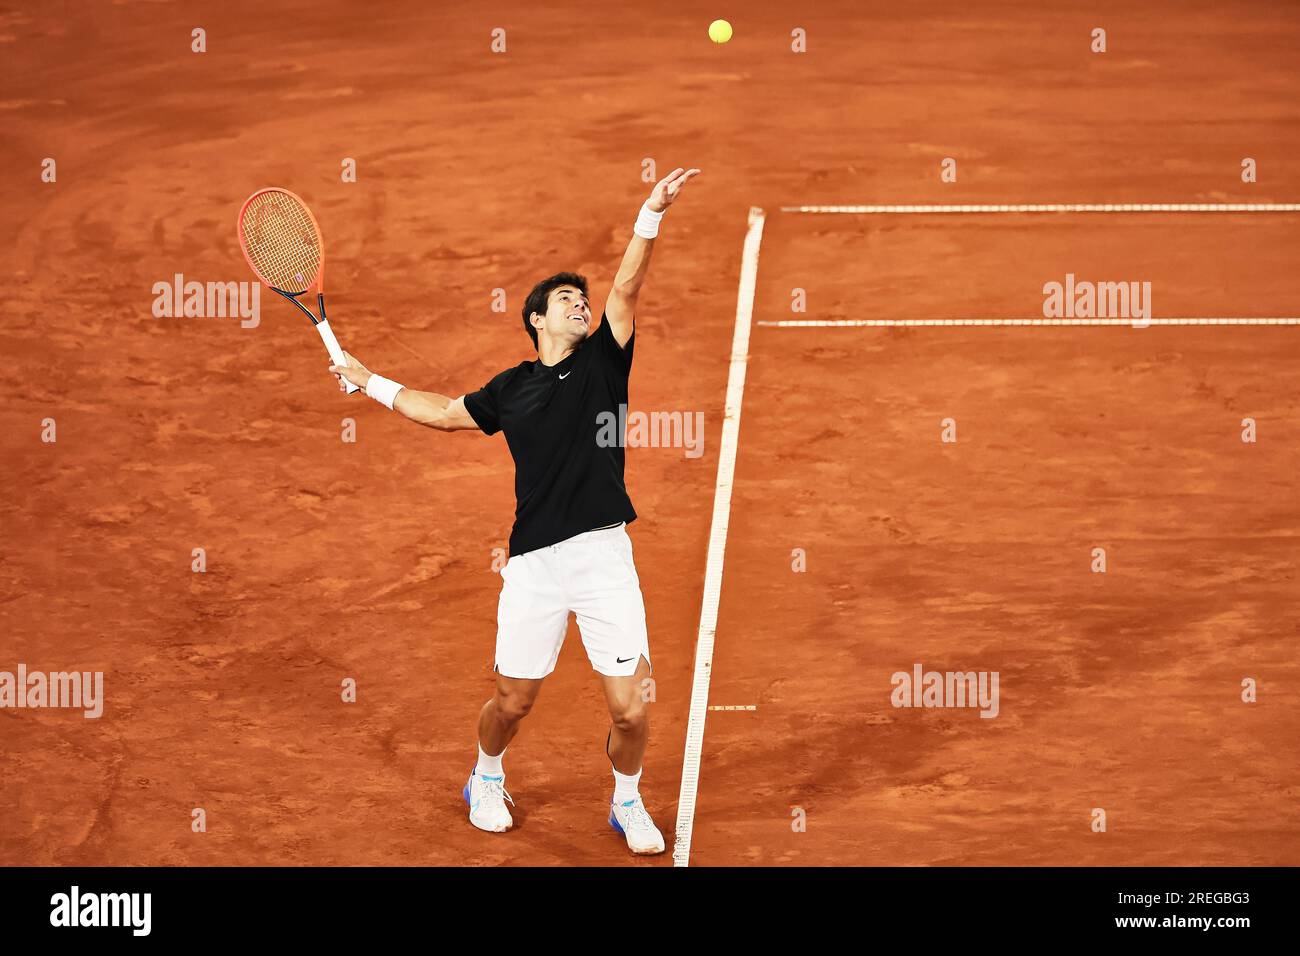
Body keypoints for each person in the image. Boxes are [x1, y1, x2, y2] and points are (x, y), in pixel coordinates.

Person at [329, 167, 701, 855]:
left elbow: (625, 288)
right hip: (533, 565)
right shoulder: (511, 389)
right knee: (513, 702)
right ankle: (487, 774)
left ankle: (626, 799)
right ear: (536, 318)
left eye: (581, 300)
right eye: (566, 299)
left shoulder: (603, 365)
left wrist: (650, 213)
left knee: (632, 706)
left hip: (603, 555)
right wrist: (369, 381)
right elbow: (442, 413)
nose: (581, 305)